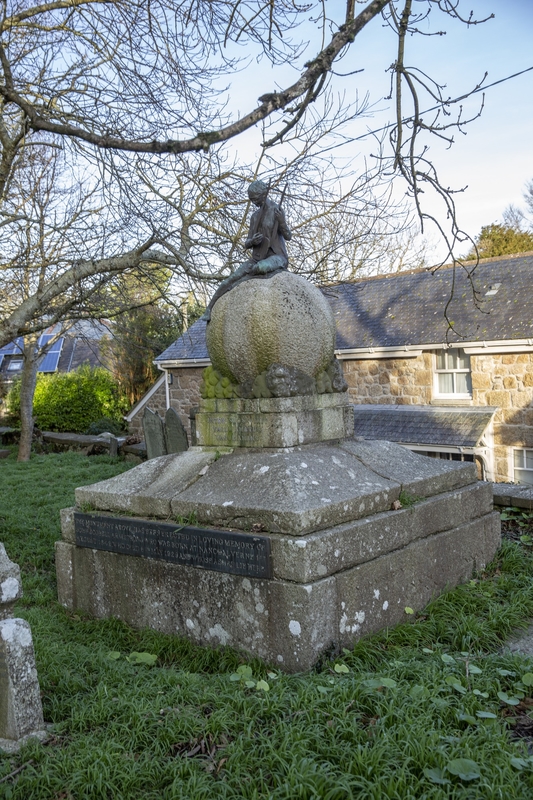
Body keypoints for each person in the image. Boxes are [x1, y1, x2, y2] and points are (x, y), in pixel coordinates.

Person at [201, 180, 292, 321]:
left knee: (261, 268)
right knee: (229, 279)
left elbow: (288, 236)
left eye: (255, 199)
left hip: (276, 256)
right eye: (252, 200)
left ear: (263, 194)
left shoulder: (276, 210)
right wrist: (252, 241)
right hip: (258, 256)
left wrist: (282, 222)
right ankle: (209, 309)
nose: (254, 202)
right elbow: (247, 243)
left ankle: (241, 283)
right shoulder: (255, 216)